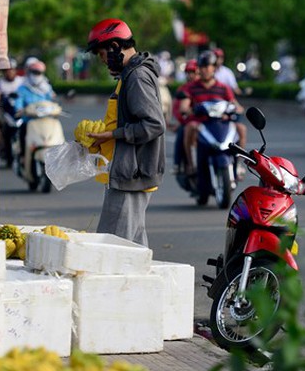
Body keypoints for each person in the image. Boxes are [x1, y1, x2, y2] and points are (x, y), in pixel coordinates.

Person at [84, 18, 165, 247]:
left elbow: (154, 124)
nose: (103, 61)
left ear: (115, 47)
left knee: (114, 250)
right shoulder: (130, 75)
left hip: (131, 174)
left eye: (102, 55)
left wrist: (113, 135)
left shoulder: (137, 77)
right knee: (134, 248)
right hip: (129, 171)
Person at [177, 50, 247, 177]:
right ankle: (192, 163)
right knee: (189, 128)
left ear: (214, 68)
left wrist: (237, 109)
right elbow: (184, 106)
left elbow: (234, 104)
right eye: (201, 67)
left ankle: (238, 164)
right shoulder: (190, 87)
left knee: (241, 129)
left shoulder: (223, 87)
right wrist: (187, 109)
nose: (204, 70)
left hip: (221, 123)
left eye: (207, 66)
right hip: (201, 123)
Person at [13, 59, 56, 162]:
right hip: (29, 120)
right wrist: (19, 110)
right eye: (34, 72)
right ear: (29, 73)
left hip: (45, 120)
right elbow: (18, 102)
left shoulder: (47, 88)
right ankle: (23, 156)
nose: (36, 75)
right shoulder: (22, 88)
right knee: (23, 130)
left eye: (38, 72)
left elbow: (52, 101)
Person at [171, 59, 199, 173]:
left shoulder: (207, 87)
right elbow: (177, 108)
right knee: (182, 132)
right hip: (188, 121)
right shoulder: (183, 89)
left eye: (193, 72)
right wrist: (182, 119)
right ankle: (178, 163)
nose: (191, 75)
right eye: (188, 72)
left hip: (207, 121)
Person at [0, 57, 24, 166]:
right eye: (7, 70)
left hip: (21, 112)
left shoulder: (22, 82)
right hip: (6, 113)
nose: (9, 72)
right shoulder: (0, 83)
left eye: (11, 69)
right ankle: (2, 147)